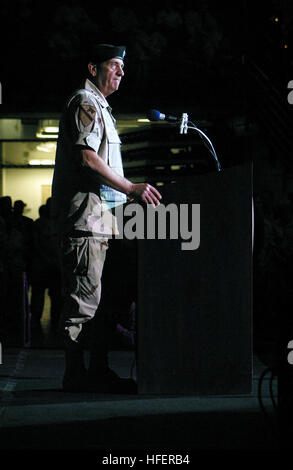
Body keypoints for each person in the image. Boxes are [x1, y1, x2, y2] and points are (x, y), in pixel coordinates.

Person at [51, 43, 162, 393]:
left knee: (100, 302)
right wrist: (131, 187)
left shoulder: (101, 107)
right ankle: (76, 375)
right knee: (83, 302)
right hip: (86, 222)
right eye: (114, 65)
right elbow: (87, 158)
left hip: (102, 222)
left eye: (123, 67)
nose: (121, 72)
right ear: (92, 68)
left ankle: (95, 369)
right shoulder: (84, 103)